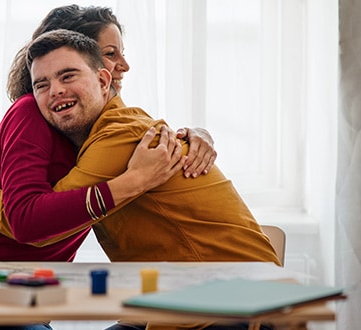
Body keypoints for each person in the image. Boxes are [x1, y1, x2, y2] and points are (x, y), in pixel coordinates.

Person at [24, 28, 278, 330]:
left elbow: (36, 221)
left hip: (228, 307)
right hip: (168, 308)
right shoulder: (105, 136)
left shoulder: (117, 135)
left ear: (101, 80)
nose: (122, 66)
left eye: (68, 76)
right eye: (43, 83)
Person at [0, 5, 215, 261]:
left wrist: (193, 133)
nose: (124, 66)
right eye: (109, 54)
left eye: (121, 53)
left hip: (24, 291)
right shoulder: (30, 112)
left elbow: (137, 131)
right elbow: (26, 220)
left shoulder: (94, 128)